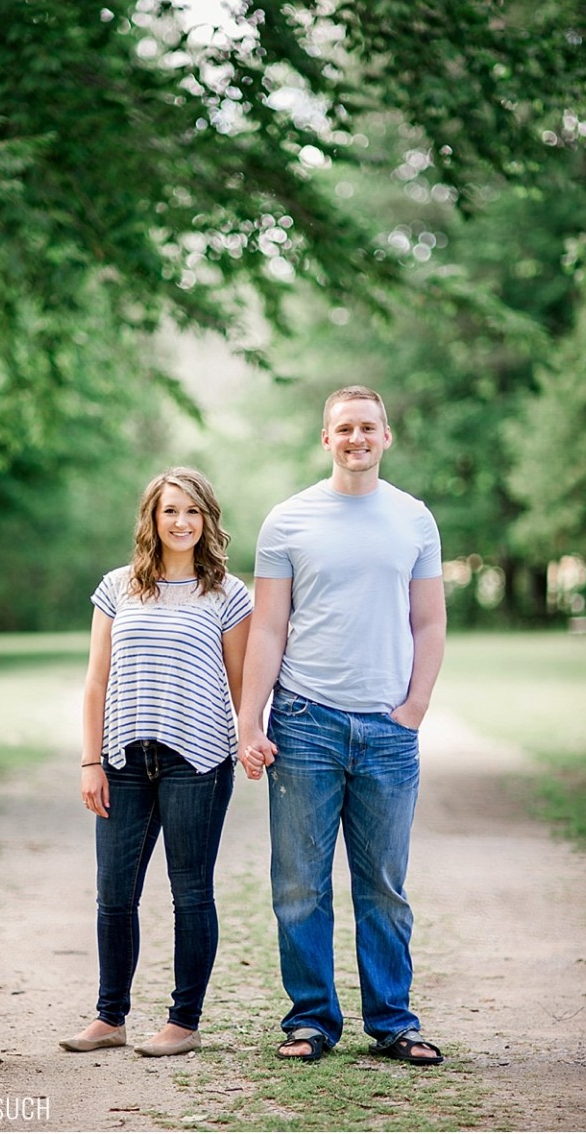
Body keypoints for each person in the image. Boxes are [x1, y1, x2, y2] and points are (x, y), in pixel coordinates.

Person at [237, 385, 446, 1066]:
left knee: (383, 883)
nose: (356, 437)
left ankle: (393, 1022)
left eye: (368, 427)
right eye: (344, 427)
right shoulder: (289, 521)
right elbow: (267, 626)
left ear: (387, 437)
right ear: (326, 439)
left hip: (388, 729)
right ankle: (310, 1021)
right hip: (304, 722)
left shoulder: (414, 519)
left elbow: (429, 620)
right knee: (299, 882)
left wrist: (413, 708)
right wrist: (251, 715)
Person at [60, 467, 251, 1058]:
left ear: (208, 520)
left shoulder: (228, 594)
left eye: (192, 511)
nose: (181, 522)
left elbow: (242, 683)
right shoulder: (118, 586)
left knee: (190, 892)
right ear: (152, 517)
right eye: (171, 510)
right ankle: (109, 1017)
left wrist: (252, 740)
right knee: (114, 893)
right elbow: (96, 681)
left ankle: (183, 1023)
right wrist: (90, 761)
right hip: (122, 758)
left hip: (197, 760)